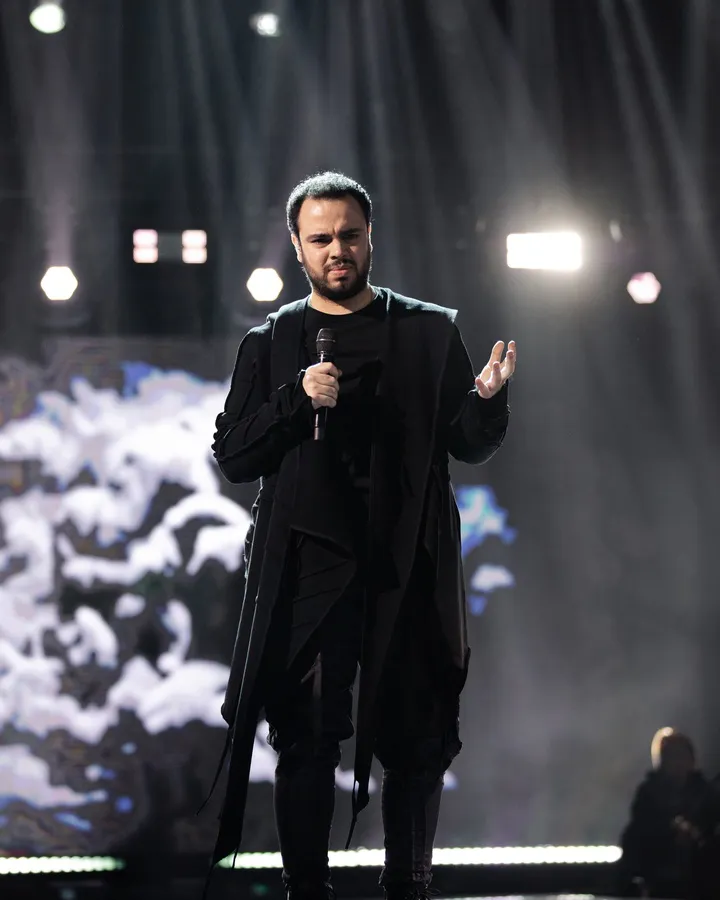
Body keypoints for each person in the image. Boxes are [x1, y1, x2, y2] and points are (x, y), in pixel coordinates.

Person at [209, 171, 515, 900]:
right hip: (310, 565)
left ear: (370, 236)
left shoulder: (428, 332)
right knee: (307, 737)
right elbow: (234, 455)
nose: (336, 250)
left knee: (417, 736)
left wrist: (486, 401)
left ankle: (409, 885)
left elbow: (466, 444)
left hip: (406, 562)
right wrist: (294, 399)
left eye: (349, 235)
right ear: (297, 247)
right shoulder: (272, 341)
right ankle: (306, 890)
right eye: (320, 239)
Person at [618, 729, 720, 899]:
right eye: (672, 756)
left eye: (682, 755)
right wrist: (670, 833)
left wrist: (697, 837)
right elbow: (638, 841)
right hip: (660, 883)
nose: (678, 762)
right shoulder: (648, 796)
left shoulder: (706, 794)